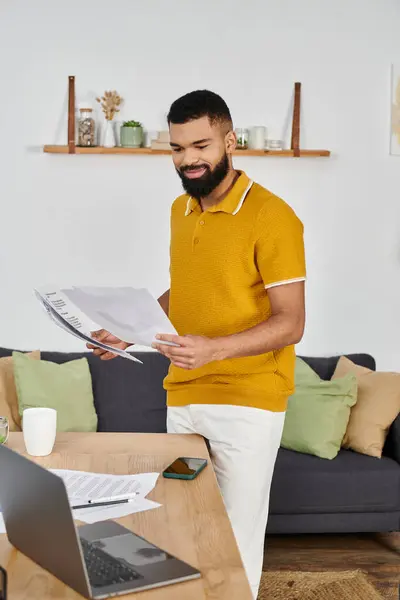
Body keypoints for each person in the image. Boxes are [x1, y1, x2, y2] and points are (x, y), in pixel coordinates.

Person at [88, 90, 306, 599]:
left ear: (230, 141)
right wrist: (130, 328)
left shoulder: (273, 217)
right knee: (184, 531)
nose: (188, 159)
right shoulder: (179, 211)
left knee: (234, 541)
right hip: (183, 398)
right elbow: (184, 293)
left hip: (248, 402)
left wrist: (215, 349)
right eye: (177, 148)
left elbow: (291, 322)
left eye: (201, 145)